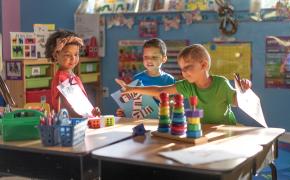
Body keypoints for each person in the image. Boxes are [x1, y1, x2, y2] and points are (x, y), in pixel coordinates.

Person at [116, 44, 251, 125]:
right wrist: (131, 88)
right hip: (202, 129)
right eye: (181, 68)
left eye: (187, 67)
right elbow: (161, 91)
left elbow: (236, 102)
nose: (184, 72)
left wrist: (243, 90)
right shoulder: (188, 85)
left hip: (226, 129)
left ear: (203, 65)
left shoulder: (221, 83)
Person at [45, 30, 100, 117]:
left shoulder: (73, 77)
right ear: (56, 56)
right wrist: (85, 115)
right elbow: (66, 108)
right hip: (70, 123)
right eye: (67, 55)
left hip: (81, 119)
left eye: (76, 54)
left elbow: (80, 102)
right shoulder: (61, 79)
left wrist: (91, 111)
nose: (73, 59)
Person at [116, 38, 175, 117]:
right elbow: (132, 104)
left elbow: (174, 104)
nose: (149, 60)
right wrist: (125, 112)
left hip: (161, 122)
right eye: (146, 57)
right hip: (140, 122)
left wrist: (161, 99)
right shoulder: (137, 78)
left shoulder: (169, 80)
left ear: (164, 59)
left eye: (154, 57)